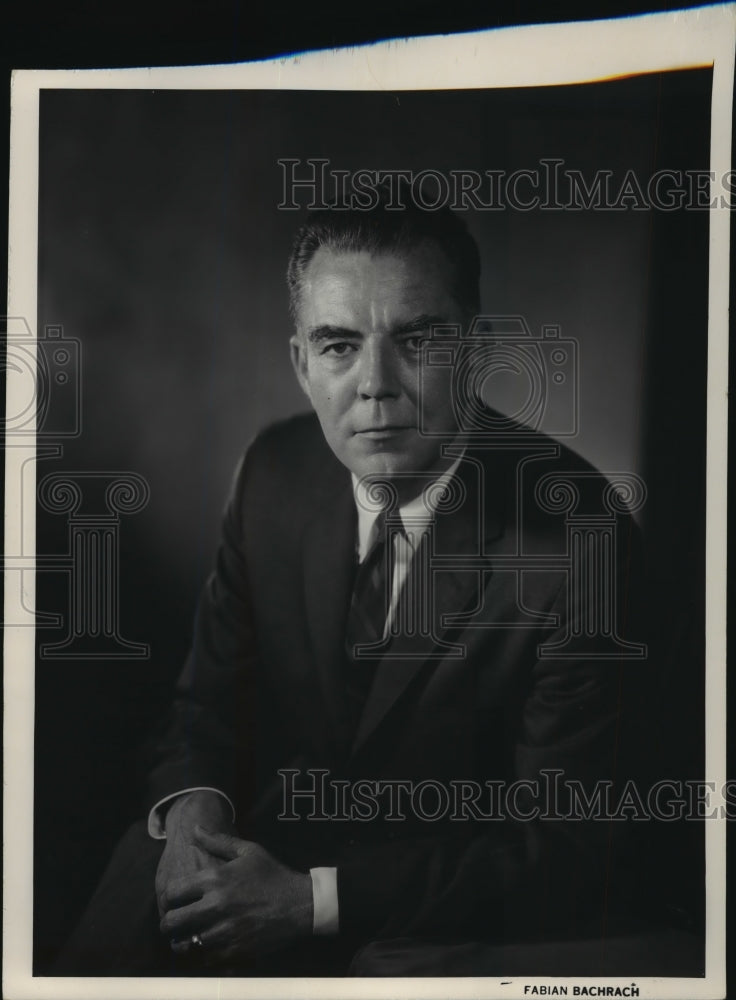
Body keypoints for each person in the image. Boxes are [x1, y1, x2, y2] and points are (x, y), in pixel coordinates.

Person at [55, 191, 676, 978]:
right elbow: (205, 707)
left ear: (478, 351)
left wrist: (312, 900)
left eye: (417, 339)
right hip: (263, 845)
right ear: (301, 363)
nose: (376, 385)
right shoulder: (273, 473)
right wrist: (188, 817)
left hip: (455, 905)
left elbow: (564, 844)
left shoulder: (580, 535)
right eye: (339, 345)